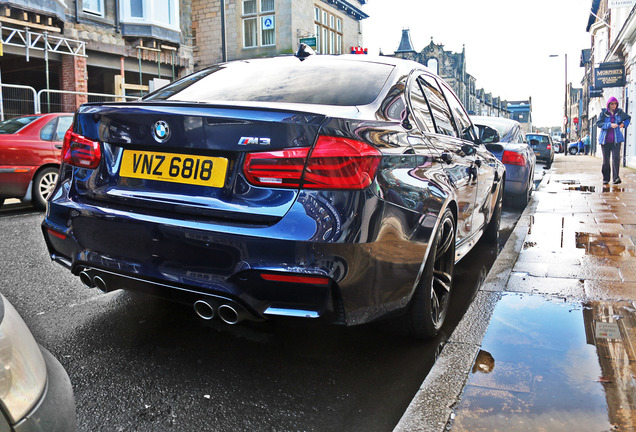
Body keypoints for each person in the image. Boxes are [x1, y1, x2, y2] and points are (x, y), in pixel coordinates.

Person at [597, 96, 631, 185]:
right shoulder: (603, 113)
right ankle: (606, 178)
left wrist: (623, 124)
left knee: (616, 158)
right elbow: (599, 123)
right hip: (605, 140)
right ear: (609, 104)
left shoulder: (619, 112)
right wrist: (609, 125)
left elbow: (628, 118)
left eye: (615, 104)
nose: (614, 105)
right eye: (612, 104)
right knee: (606, 160)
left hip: (616, 140)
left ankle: (616, 178)